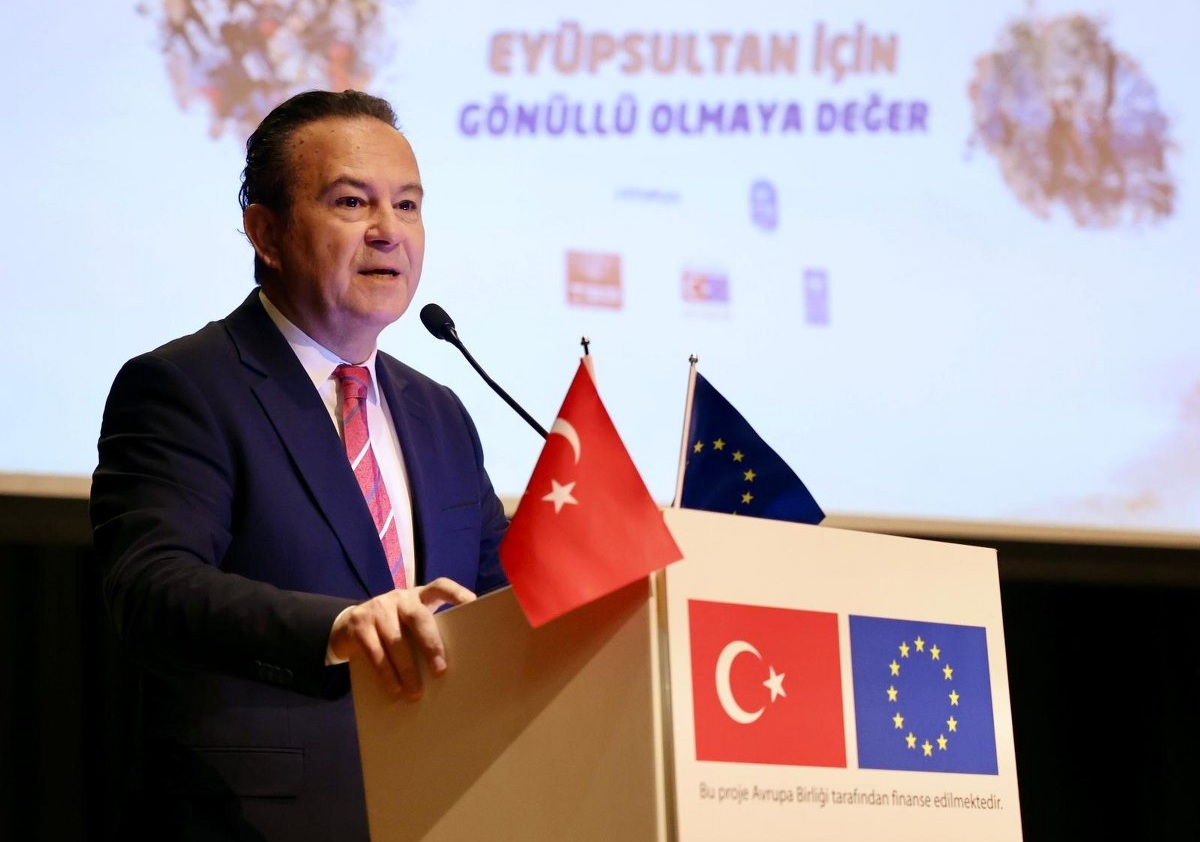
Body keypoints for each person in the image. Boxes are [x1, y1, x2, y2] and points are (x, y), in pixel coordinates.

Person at [90, 89, 509, 840]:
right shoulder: (185, 386)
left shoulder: (439, 411)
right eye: (352, 203)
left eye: (408, 206)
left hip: (442, 809)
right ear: (267, 232)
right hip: (257, 820)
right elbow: (152, 588)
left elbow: (502, 601)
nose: (389, 232)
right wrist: (339, 626)